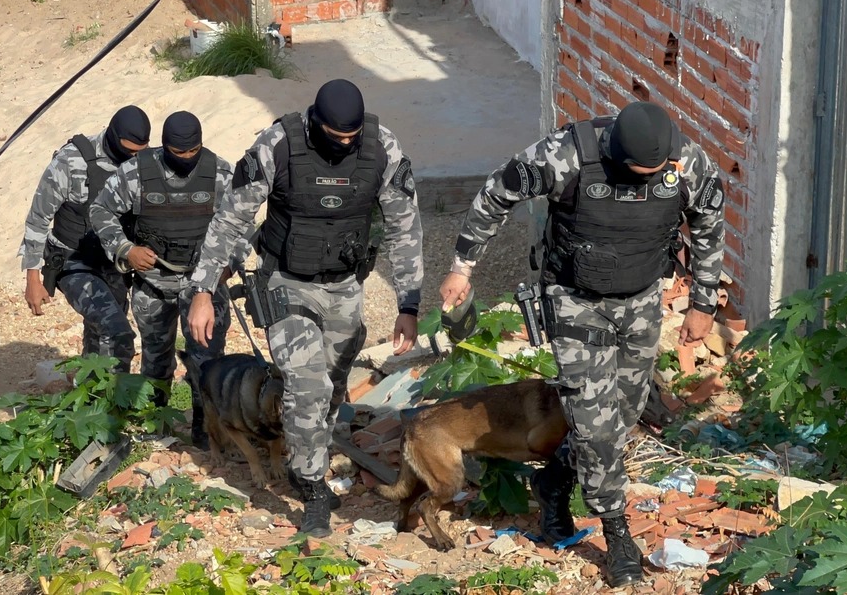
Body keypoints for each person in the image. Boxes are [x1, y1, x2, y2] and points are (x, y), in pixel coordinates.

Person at [438, 101, 725, 587]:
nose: (645, 181)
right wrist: (462, 268)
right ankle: (617, 532)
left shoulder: (687, 161)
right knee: (594, 427)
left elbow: (709, 223)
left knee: (624, 415)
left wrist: (704, 302)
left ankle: (553, 481)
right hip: (575, 300)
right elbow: (496, 193)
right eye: (637, 173)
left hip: (641, 297)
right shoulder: (567, 154)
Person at [185, 79, 424, 537]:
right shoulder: (278, 145)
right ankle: (312, 486)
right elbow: (230, 219)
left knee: (332, 386)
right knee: (306, 384)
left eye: (352, 138)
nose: (345, 145)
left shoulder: (383, 149)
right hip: (286, 283)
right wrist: (202, 289)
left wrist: (408, 304)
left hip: (344, 285)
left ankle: (307, 447)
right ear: (316, 123)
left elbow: (405, 227)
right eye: (336, 137)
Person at [89, 111, 248, 448]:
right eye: (179, 153)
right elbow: (100, 210)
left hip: (203, 286)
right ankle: (155, 423)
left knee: (208, 360)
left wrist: (229, 264)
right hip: (153, 283)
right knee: (156, 357)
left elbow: (242, 223)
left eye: (193, 152)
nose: (187, 158)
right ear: (165, 146)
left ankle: (206, 430)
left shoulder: (220, 174)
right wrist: (126, 249)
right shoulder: (137, 172)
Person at [19, 105, 151, 371]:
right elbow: (38, 218)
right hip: (74, 262)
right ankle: (115, 393)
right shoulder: (72, 160)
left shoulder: (144, 163)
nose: (134, 158)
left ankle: (92, 391)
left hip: (115, 263)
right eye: (129, 151)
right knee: (117, 332)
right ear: (114, 138)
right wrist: (32, 279)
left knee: (99, 333)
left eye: (141, 152)